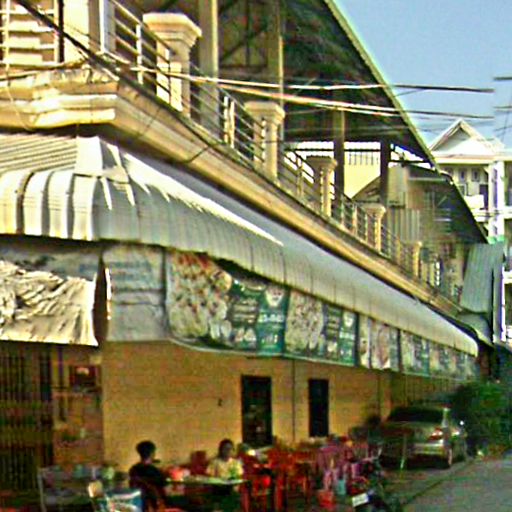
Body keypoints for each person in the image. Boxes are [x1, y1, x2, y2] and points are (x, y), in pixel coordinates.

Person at [129, 440, 188, 512]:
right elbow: (168, 492)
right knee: (193, 504)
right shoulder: (155, 471)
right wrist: (182, 490)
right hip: (159, 505)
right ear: (152, 454)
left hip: (141, 505)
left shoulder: (133, 470)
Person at [207, 439, 244, 512]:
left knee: (233, 495)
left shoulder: (236, 463)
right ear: (221, 450)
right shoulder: (215, 462)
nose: (228, 451)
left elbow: (239, 476)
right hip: (219, 489)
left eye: (230, 449)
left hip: (232, 489)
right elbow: (210, 476)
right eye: (225, 449)